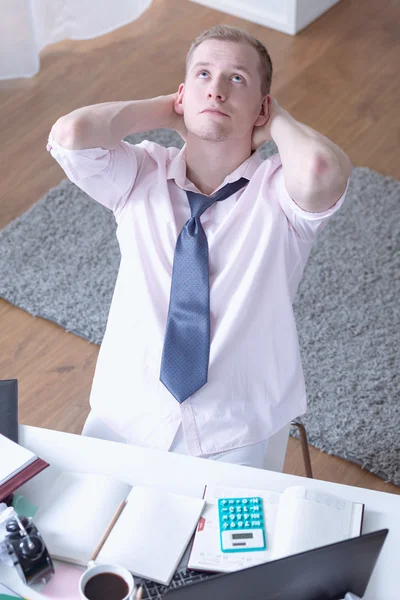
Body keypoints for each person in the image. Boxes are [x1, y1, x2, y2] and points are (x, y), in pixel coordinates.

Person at [46, 24, 352, 468]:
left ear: (263, 107)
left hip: (234, 427)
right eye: (204, 75)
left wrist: (274, 120)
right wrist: (166, 110)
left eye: (237, 79)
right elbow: (72, 135)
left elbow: (323, 169)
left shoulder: (280, 197)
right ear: (184, 92)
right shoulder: (139, 174)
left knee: (222, 539)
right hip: (128, 412)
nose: (217, 91)